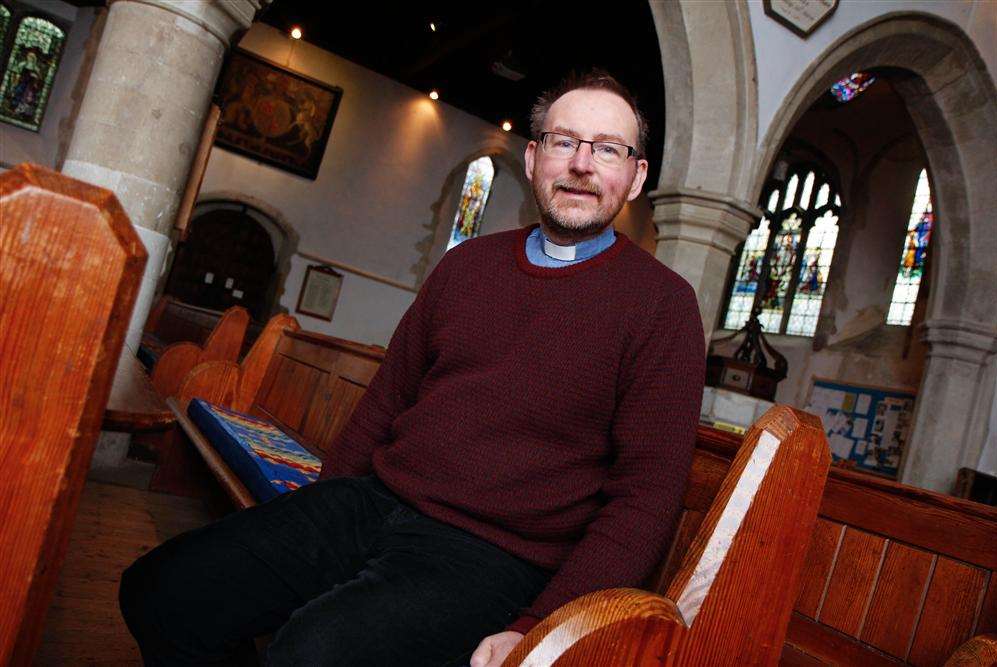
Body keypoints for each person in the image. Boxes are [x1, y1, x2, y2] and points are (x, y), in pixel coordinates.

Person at [119, 69, 705, 666]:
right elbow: (385, 402)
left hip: (494, 557)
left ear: (635, 178)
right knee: (162, 591)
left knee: (310, 653)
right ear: (532, 159)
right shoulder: (466, 265)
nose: (582, 163)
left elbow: (645, 497)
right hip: (373, 503)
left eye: (608, 149)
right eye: (564, 141)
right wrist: (318, 514)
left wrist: (541, 625)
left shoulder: (662, 305)